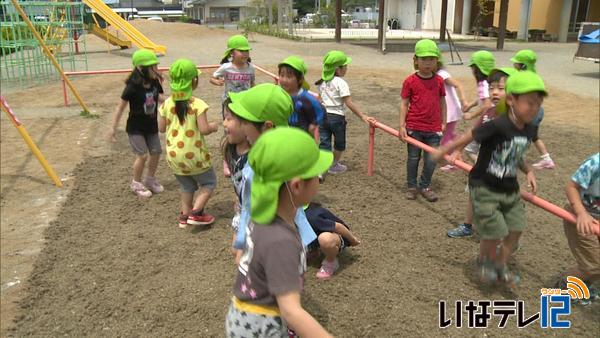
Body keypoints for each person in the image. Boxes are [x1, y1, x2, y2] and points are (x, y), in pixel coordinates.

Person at [434, 71, 546, 287]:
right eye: (529, 103)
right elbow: (470, 135)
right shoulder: (498, 123)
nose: (534, 108)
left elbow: (517, 153)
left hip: (509, 188)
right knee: (494, 231)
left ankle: (501, 265)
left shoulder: (530, 128)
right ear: (512, 100)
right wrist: (444, 151)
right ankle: (485, 262)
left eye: (538, 104)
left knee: (516, 229)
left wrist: (529, 170)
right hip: (484, 186)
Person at [225, 127, 333, 338]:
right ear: (296, 186)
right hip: (261, 328)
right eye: (317, 175)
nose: (320, 180)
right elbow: (291, 311)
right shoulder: (281, 240)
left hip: (242, 317)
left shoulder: (262, 217)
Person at [227, 84, 318, 262]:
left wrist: (243, 243)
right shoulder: (281, 153)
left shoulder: (264, 165)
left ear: (267, 127)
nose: (242, 127)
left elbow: (256, 208)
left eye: (245, 121)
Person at [447, 67, 516, 238]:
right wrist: (458, 149)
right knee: (473, 193)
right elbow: (474, 132)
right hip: (482, 166)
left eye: (501, 88)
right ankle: (467, 226)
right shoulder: (489, 111)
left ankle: (507, 236)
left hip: (501, 171)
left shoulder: (514, 116)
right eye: (491, 88)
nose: (494, 92)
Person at [158, 59, 219, 227]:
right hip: (195, 156)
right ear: (193, 81)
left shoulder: (166, 104)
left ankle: (184, 217)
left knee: (187, 185)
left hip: (174, 156)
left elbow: (161, 128)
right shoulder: (198, 104)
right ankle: (196, 213)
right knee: (209, 182)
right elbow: (204, 129)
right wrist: (213, 126)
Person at [107, 49, 164, 198]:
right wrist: (112, 128)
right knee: (143, 155)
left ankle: (150, 180)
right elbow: (120, 107)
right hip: (135, 128)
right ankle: (136, 183)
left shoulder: (154, 82)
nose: (156, 69)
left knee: (157, 151)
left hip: (151, 125)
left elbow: (161, 98)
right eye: (153, 66)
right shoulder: (132, 86)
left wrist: (177, 100)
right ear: (141, 68)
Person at [399, 39, 447, 202]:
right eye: (424, 59)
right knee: (413, 158)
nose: (427, 63)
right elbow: (404, 104)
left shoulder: (439, 81)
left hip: (433, 128)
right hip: (414, 127)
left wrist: (444, 121)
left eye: (431, 59)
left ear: (436, 61)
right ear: (416, 60)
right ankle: (412, 186)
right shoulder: (410, 81)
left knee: (431, 160)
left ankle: (425, 185)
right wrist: (401, 125)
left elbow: (442, 101)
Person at [316, 50, 374, 174]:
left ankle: (321, 167)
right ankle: (333, 165)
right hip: (337, 118)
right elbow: (348, 102)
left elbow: (320, 100)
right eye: (345, 66)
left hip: (323, 116)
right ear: (338, 69)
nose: (347, 68)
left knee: (324, 142)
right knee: (339, 143)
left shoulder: (321, 82)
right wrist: (362, 116)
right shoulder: (341, 83)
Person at [210, 34, 255, 177]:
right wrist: (217, 82)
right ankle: (227, 160)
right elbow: (212, 77)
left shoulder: (250, 68)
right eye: (242, 51)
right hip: (229, 105)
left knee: (247, 130)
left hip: (245, 104)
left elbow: (252, 85)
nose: (245, 54)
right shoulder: (226, 67)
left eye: (247, 51)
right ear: (232, 53)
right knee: (229, 132)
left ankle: (247, 158)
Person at [560, 153, 599, 304]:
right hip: (581, 217)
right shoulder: (596, 163)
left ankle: (584, 283)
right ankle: (565, 285)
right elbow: (571, 186)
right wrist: (581, 213)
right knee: (594, 264)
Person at [511, 49, 556, 170]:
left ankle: (514, 159)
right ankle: (547, 159)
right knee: (534, 136)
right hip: (538, 111)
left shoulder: (520, 77)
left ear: (523, 65)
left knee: (518, 134)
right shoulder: (536, 77)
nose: (514, 65)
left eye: (516, 63)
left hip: (528, 111)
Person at [305, 202, 361, 279]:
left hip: (336, 235)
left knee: (325, 239)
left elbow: (338, 227)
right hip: (316, 235)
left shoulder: (311, 216)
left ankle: (330, 261)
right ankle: (313, 250)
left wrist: (353, 240)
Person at [222, 102, 250, 250]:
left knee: (242, 254)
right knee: (236, 251)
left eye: (229, 118)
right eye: (224, 117)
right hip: (242, 209)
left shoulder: (255, 157)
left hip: (256, 215)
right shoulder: (231, 149)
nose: (224, 123)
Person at [278, 56, 326, 135]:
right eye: (282, 75)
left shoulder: (306, 98)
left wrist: (314, 124)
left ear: (300, 79)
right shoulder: (279, 95)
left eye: (289, 77)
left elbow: (320, 112)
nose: (284, 80)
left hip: (301, 134)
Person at [437, 58, 469, 172]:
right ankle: (459, 140)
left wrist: (464, 100)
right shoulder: (434, 75)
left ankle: (455, 163)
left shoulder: (442, 74)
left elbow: (458, 84)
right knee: (448, 134)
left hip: (450, 111)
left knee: (445, 137)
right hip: (446, 110)